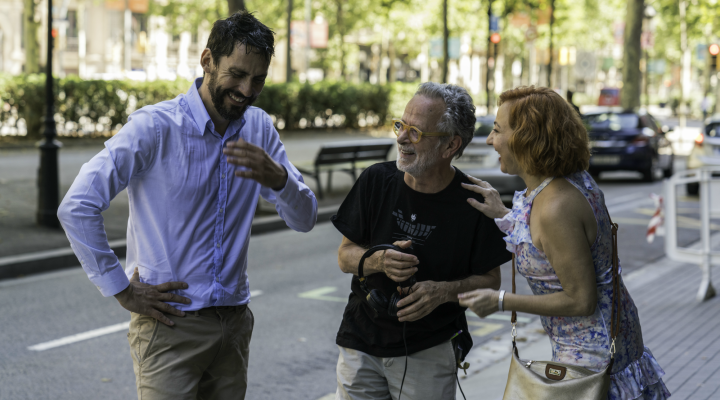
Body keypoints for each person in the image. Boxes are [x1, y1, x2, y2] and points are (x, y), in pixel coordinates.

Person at [57, 11, 317, 400]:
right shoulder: (155, 128)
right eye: (237, 74)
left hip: (234, 325)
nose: (247, 90)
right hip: (169, 329)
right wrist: (122, 290)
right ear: (208, 61)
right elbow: (77, 205)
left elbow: (305, 219)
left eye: (258, 79)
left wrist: (279, 178)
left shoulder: (259, 128)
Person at [458, 86, 670, 399]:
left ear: (526, 138)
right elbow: (545, 243)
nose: (491, 140)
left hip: (594, 368)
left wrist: (500, 300)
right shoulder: (567, 182)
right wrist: (503, 213)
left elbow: (581, 299)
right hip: (607, 353)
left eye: (497, 130)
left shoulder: (557, 206)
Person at [330, 82, 511, 400]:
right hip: (361, 340)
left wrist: (441, 292)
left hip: (429, 350)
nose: (401, 137)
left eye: (416, 132)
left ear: (450, 145)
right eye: (401, 125)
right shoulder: (376, 179)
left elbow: (490, 282)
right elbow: (345, 256)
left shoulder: (475, 201)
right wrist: (379, 260)